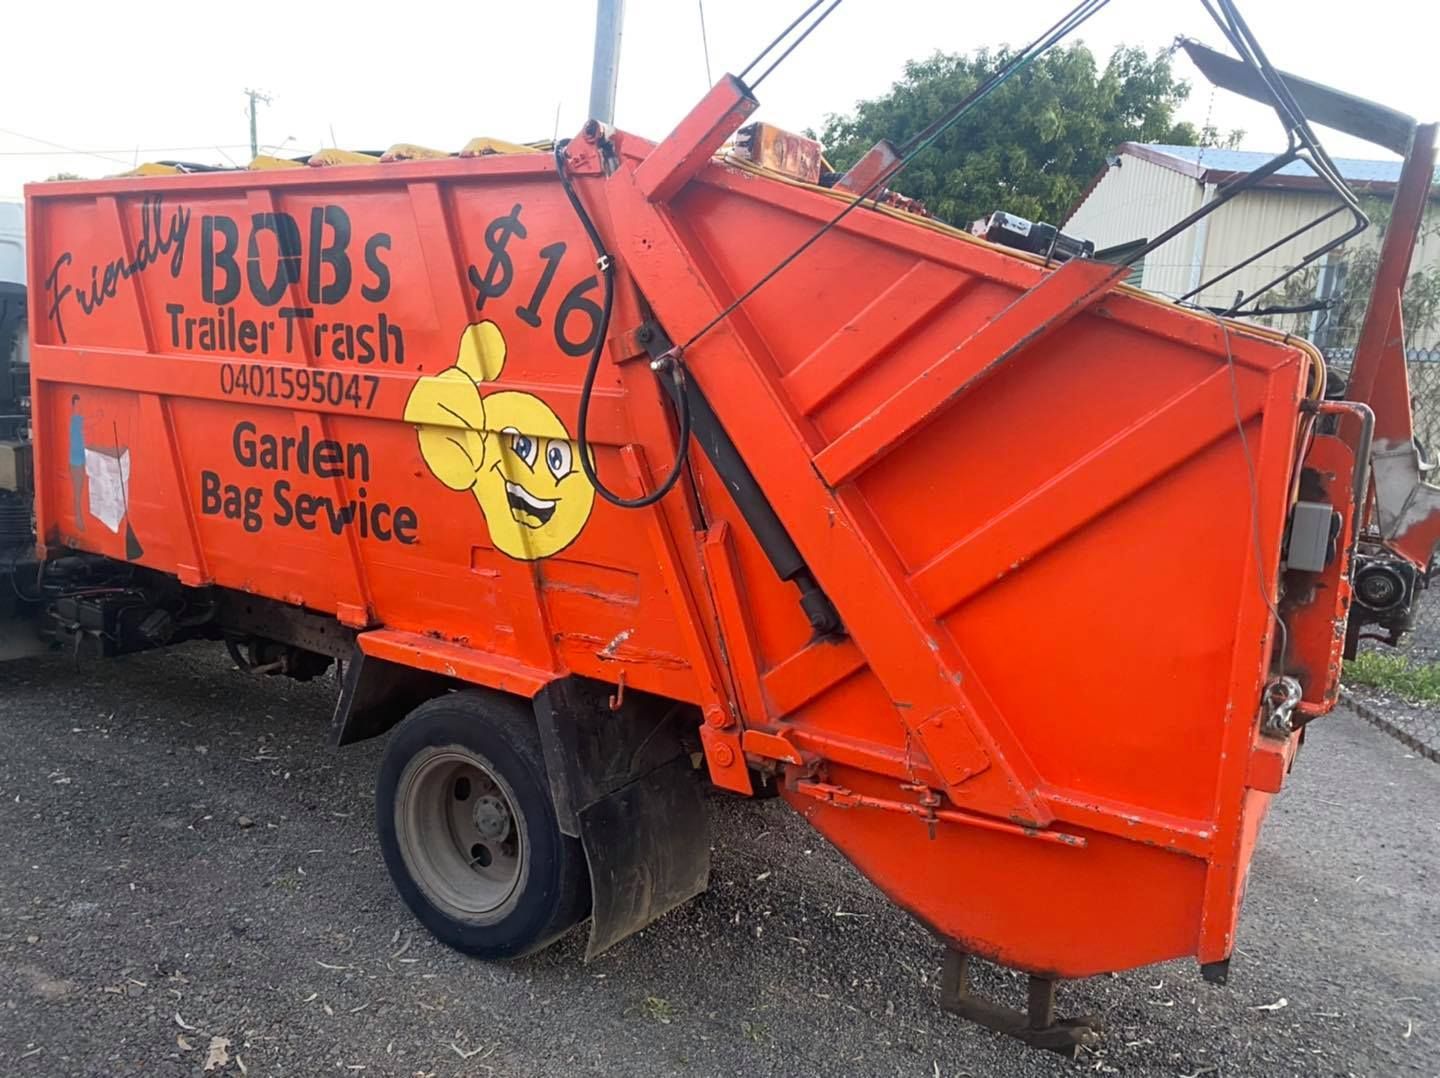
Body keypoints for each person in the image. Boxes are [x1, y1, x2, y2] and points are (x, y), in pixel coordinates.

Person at [69, 394, 85, 531]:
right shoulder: (76, 420)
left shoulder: (77, 419)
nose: (80, 407)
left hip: (79, 461)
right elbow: (90, 422)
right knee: (78, 491)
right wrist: (99, 417)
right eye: (78, 404)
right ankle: (78, 518)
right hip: (76, 462)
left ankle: (79, 517)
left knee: (79, 490)